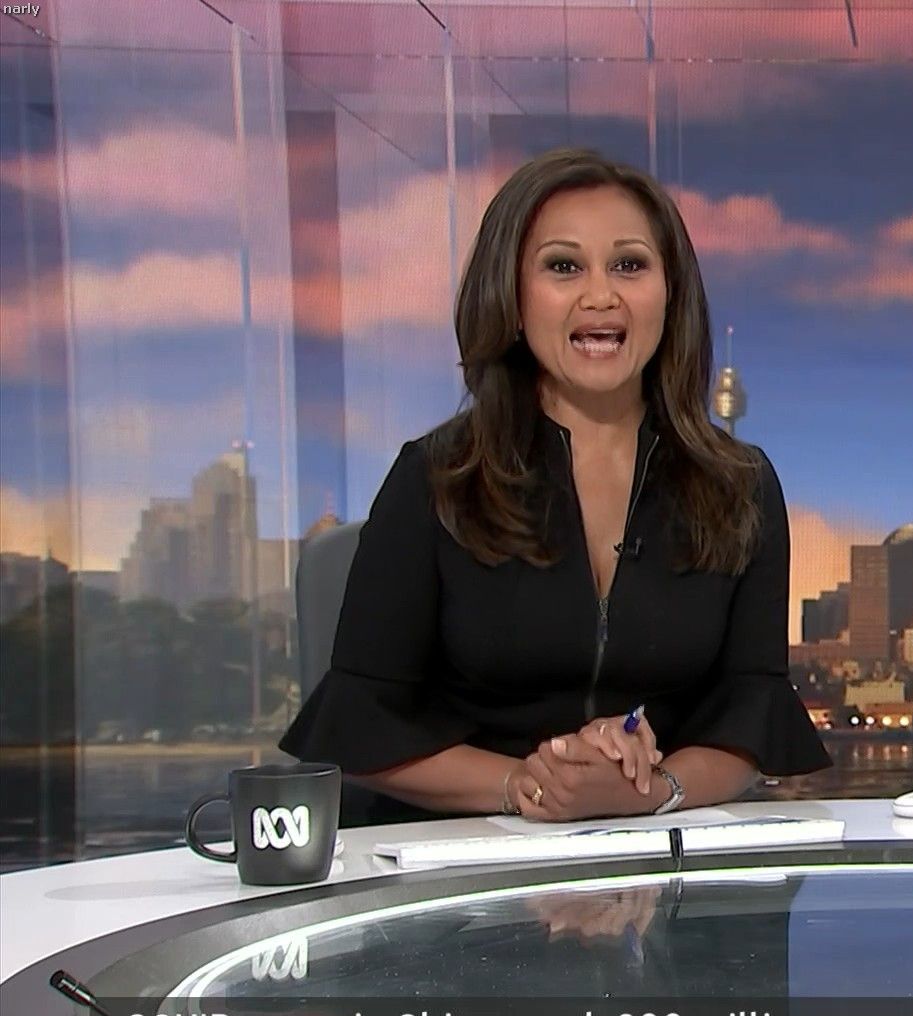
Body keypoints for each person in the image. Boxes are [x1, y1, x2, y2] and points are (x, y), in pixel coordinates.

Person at [282, 147, 831, 824]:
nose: (601, 296)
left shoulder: (739, 488)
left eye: (629, 265)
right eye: (563, 266)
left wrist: (653, 790)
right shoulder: (436, 478)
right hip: (456, 857)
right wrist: (530, 784)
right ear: (512, 298)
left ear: (670, 295)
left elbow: (750, 714)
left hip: (653, 852)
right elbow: (362, 725)